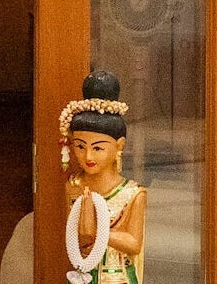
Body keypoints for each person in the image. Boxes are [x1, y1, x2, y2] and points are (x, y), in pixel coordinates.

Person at [62, 70, 148, 284]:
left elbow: (134, 243)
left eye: (98, 148)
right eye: (80, 147)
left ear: (119, 146)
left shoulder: (132, 194)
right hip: (83, 275)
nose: (88, 156)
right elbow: (74, 238)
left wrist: (99, 234)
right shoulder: (74, 186)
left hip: (117, 277)